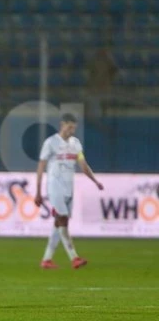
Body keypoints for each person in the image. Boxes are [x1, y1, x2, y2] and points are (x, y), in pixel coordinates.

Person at [34, 113, 104, 269]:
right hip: (54, 185)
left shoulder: (76, 144)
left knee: (59, 222)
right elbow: (41, 167)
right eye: (69, 127)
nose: (72, 130)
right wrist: (38, 191)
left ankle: (46, 259)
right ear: (62, 124)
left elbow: (83, 165)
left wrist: (95, 181)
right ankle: (74, 257)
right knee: (63, 219)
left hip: (69, 187)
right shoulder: (51, 143)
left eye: (74, 128)